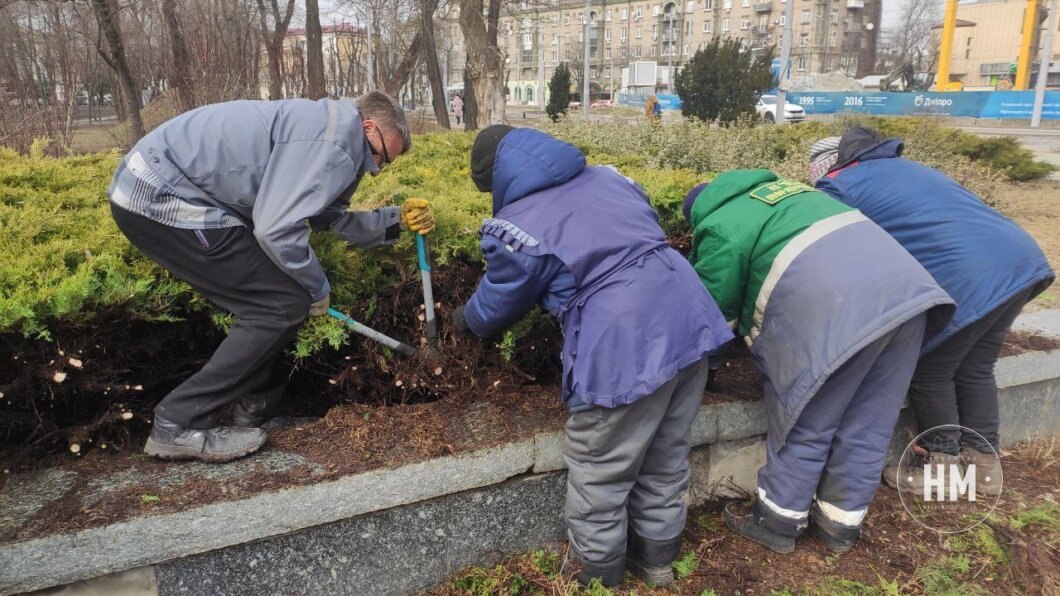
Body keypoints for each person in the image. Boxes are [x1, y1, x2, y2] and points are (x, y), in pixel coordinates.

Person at [453, 126, 732, 587]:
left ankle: (598, 576)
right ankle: (658, 561)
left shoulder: (520, 222)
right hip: (686, 313)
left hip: (624, 338)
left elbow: (501, 297)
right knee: (665, 453)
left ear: (497, 178)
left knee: (600, 463)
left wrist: (468, 321)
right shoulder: (609, 179)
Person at [108, 91, 435, 463]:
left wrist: (394, 222)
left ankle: (258, 406)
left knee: (278, 299)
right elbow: (276, 229)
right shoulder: (337, 143)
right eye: (381, 156)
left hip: (164, 184)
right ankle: (177, 422)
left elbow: (323, 216)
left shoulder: (334, 129)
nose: (376, 168)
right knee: (279, 305)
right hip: (159, 194)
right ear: (369, 126)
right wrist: (317, 289)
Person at [684, 170, 954, 554]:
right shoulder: (794, 195)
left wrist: (707, 367)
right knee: (871, 418)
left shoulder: (721, 222)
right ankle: (839, 525)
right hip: (909, 299)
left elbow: (712, 313)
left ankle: (777, 521)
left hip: (841, 310)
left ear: (699, 212)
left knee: (808, 417)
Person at [810, 127, 1055, 496]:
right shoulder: (901, 168)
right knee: (975, 367)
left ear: (825, 167)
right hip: (1019, 259)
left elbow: (843, 254)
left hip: (972, 276)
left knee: (930, 370)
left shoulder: (838, 185)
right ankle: (985, 471)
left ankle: (942, 471)